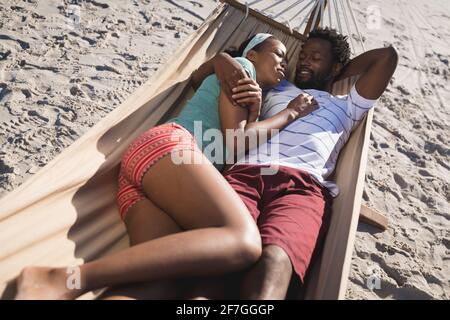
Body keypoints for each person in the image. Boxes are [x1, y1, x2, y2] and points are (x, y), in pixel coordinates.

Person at [14, 34, 318, 300]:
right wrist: (291, 113)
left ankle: (50, 285)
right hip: (172, 151)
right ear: (252, 53)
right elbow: (236, 142)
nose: (284, 64)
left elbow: (203, 84)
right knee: (244, 240)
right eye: (279, 54)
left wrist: (247, 101)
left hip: (147, 172)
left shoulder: (243, 85)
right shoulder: (242, 71)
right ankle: (66, 279)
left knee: (157, 287)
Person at [187, 27, 398, 299]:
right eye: (303, 55)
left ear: (334, 67)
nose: (304, 61)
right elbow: (214, 72)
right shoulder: (276, 85)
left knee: (274, 260)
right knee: (220, 258)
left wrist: (338, 74)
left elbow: (386, 57)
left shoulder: (347, 105)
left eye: (315, 57)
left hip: (303, 187)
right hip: (245, 175)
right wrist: (221, 60)